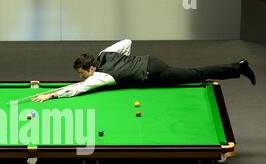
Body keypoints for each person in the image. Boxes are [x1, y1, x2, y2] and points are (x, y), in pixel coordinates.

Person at [32, 39, 256, 102]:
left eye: (82, 73)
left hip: (154, 73)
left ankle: (239, 67)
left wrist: (51, 94)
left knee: (195, 74)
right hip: (151, 62)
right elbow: (127, 42)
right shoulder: (104, 54)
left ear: (91, 68)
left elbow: (77, 90)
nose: (81, 77)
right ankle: (238, 67)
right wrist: (127, 64)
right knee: (193, 72)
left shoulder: (100, 77)